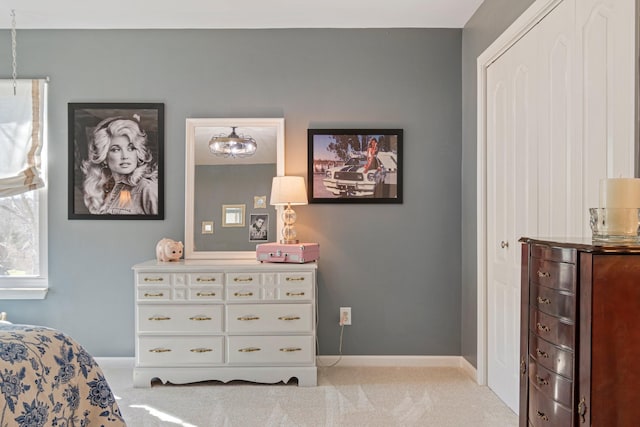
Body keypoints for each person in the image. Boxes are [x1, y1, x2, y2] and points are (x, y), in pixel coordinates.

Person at [81, 116, 158, 215]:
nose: (125, 156)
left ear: (138, 153)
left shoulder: (147, 189)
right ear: (104, 157)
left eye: (131, 148)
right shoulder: (106, 190)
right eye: (116, 149)